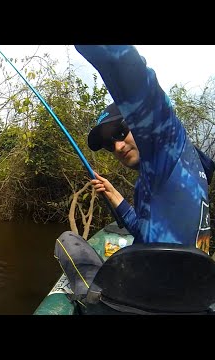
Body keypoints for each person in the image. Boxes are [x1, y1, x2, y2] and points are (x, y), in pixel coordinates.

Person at [55, 45, 215, 304]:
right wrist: (117, 198)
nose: (117, 147)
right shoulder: (178, 171)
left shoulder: (168, 146)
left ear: (141, 124)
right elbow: (150, 235)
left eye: (120, 131)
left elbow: (138, 81)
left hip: (140, 303)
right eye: (109, 144)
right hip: (191, 301)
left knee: (67, 242)